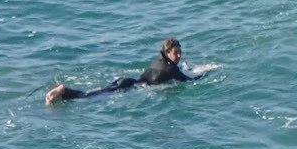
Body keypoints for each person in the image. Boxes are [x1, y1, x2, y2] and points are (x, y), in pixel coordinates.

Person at [46, 39, 196, 106]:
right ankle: (64, 91)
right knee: (92, 98)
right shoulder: (172, 69)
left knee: (95, 93)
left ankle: (65, 92)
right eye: (175, 53)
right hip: (132, 87)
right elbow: (190, 81)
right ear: (167, 52)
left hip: (127, 80)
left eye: (180, 52)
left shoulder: (159, 62)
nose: (179, 56)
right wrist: (209, 72)